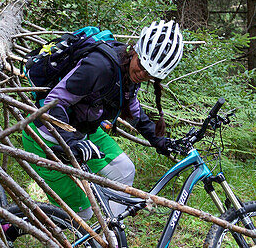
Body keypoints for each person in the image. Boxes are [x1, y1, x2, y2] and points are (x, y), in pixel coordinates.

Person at [23, 19, 185, 220]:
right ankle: (12, 227)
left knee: (124, 171)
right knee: (81, 215)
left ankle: (109, 238)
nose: (142, 74)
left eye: (150, 75)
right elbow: (54, 103)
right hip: (46, 134)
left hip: (81, 128)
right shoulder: (100, 66)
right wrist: (71, 141)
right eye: (142, 66)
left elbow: (132, 106)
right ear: (136, 50)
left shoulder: (126, 69)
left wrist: (159, 140)